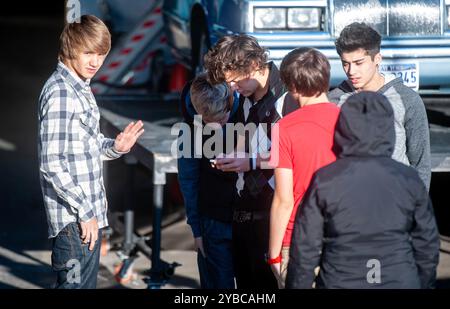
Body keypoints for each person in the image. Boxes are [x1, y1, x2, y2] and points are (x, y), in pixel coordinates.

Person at [286, 91, 440, 289]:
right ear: (387, 129)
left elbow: (305, 247)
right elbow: (427, 243)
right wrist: (423, 283)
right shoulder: (408, 179)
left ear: (343, 128)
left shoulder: (326, 179)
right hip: (397, 279)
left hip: (341, 279)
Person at [38, 15, 144, 289]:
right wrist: (85, 212)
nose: (95, 62)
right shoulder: (61, 93)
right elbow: (51, 163)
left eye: (101, 54)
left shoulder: (80, 88)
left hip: (86, 220)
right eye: (88, 53)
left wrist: (115, 147)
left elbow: (86, 145)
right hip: (75, 222)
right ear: (71, 48)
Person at [204, 34, 298, 288]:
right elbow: (244, 141)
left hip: (275, 214)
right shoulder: (245, 99)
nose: (233, 89)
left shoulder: (288, 97)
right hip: (243, 211)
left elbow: (297, 153)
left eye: (235, 81)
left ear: (255, 64)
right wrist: (233, 157)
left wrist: (252, 161)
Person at [328, 22, 431, 191]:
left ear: (377, 59)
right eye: (345, 63)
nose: (351, 71)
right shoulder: (334, 100)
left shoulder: (407, 99)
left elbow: (421, 164)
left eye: (359, 62)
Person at [268, 48, 340, 288]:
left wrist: (274, 254)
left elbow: (284, 199)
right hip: (342, 234)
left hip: (299, 238)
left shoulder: (284, 128)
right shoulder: (349, 120)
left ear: (293, 88)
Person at [177, 73, 239, 288]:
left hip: (249, 218)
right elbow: (188, 179)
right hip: (212, 221)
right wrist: (197, 230)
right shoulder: (189, 128)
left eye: (222, 119)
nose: (218, 127)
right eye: (209, 123)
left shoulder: (247, 105)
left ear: (231, 100)